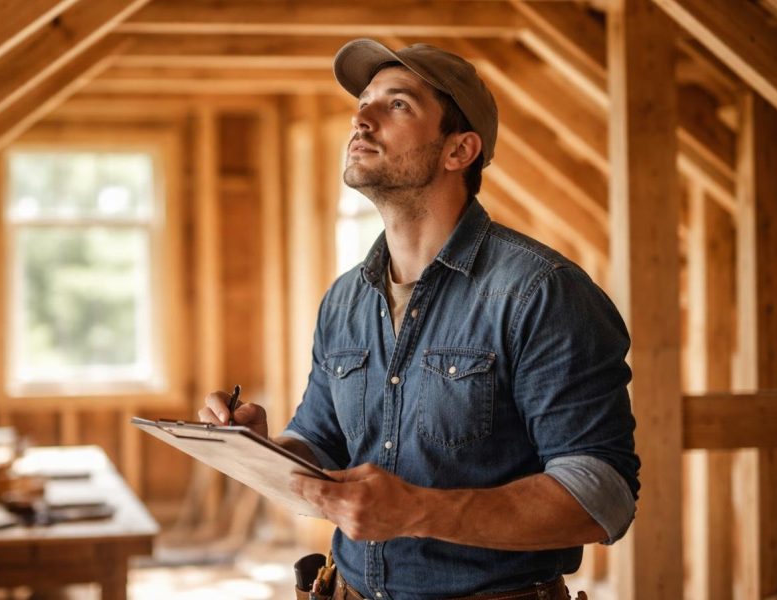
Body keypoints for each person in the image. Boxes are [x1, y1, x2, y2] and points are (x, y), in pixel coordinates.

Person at [199, 38, 639, 600]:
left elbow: (601, 496)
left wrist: (417, 511)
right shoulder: (345, 299)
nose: (361, 116)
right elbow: (321, 443)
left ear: (459, 151)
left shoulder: (540, 292)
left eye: (397, 104)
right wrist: (255, 449)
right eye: (364, 101)